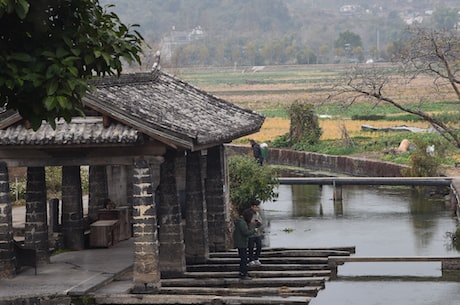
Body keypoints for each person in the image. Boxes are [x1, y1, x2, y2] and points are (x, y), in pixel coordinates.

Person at [233, 209, 256, 280]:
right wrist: (254, 230)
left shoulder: (241, 222)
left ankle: (243, 272)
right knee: (244, 259)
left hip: (241, 243)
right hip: (241, 243)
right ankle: (243, 273)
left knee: (244, 258)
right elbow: (246, 233)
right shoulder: (242, 223)